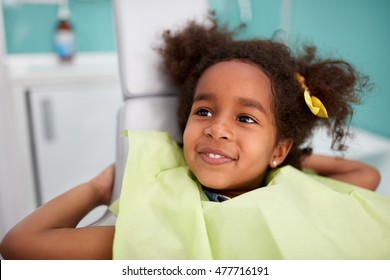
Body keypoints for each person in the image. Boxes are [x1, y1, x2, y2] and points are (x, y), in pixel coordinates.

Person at [0, 17, 386, 260]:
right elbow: (21, 245)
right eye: (203, 111)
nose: (216, 128)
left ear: (279, 147)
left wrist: (285, 161)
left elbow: (365, 174)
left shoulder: (294, 187)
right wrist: (101, 187)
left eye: (246, 117)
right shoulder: (164, 220)